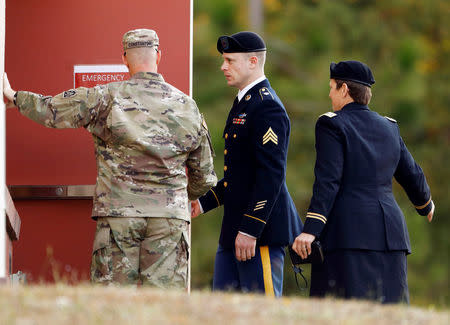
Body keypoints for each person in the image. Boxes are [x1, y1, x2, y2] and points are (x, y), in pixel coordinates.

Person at [3, 28, 217, 289]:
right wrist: (186, 196)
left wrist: (15, 98)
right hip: (168, 219)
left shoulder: (104, 97)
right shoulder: (187, 107)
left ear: (124, 58)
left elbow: (53, 111)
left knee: (112, 303)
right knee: (165, 306)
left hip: (118, 217)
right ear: (159, 56)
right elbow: (204, 175)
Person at [292, 60, 435, 303]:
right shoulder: (389, 127)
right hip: (391, 236)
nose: (329, 94)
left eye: (332, 87)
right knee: (391, 315)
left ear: (344, 89)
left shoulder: (331, 124)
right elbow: (411, 172)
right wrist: (425, 204)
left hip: (348, 235)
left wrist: (311, 230)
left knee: (344, 314)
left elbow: (328, 181)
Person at [191, 31, 303, 297]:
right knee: (223, 313)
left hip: (257, 234)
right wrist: (202, 202)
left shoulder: (267, 107)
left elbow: (270, 177)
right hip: (234, 229)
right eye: (223, 60)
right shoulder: (244, 102)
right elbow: (237, 176)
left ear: (253, 62)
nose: (223, 67)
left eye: (230, 60)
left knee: (259, 313)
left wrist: (251, 229)